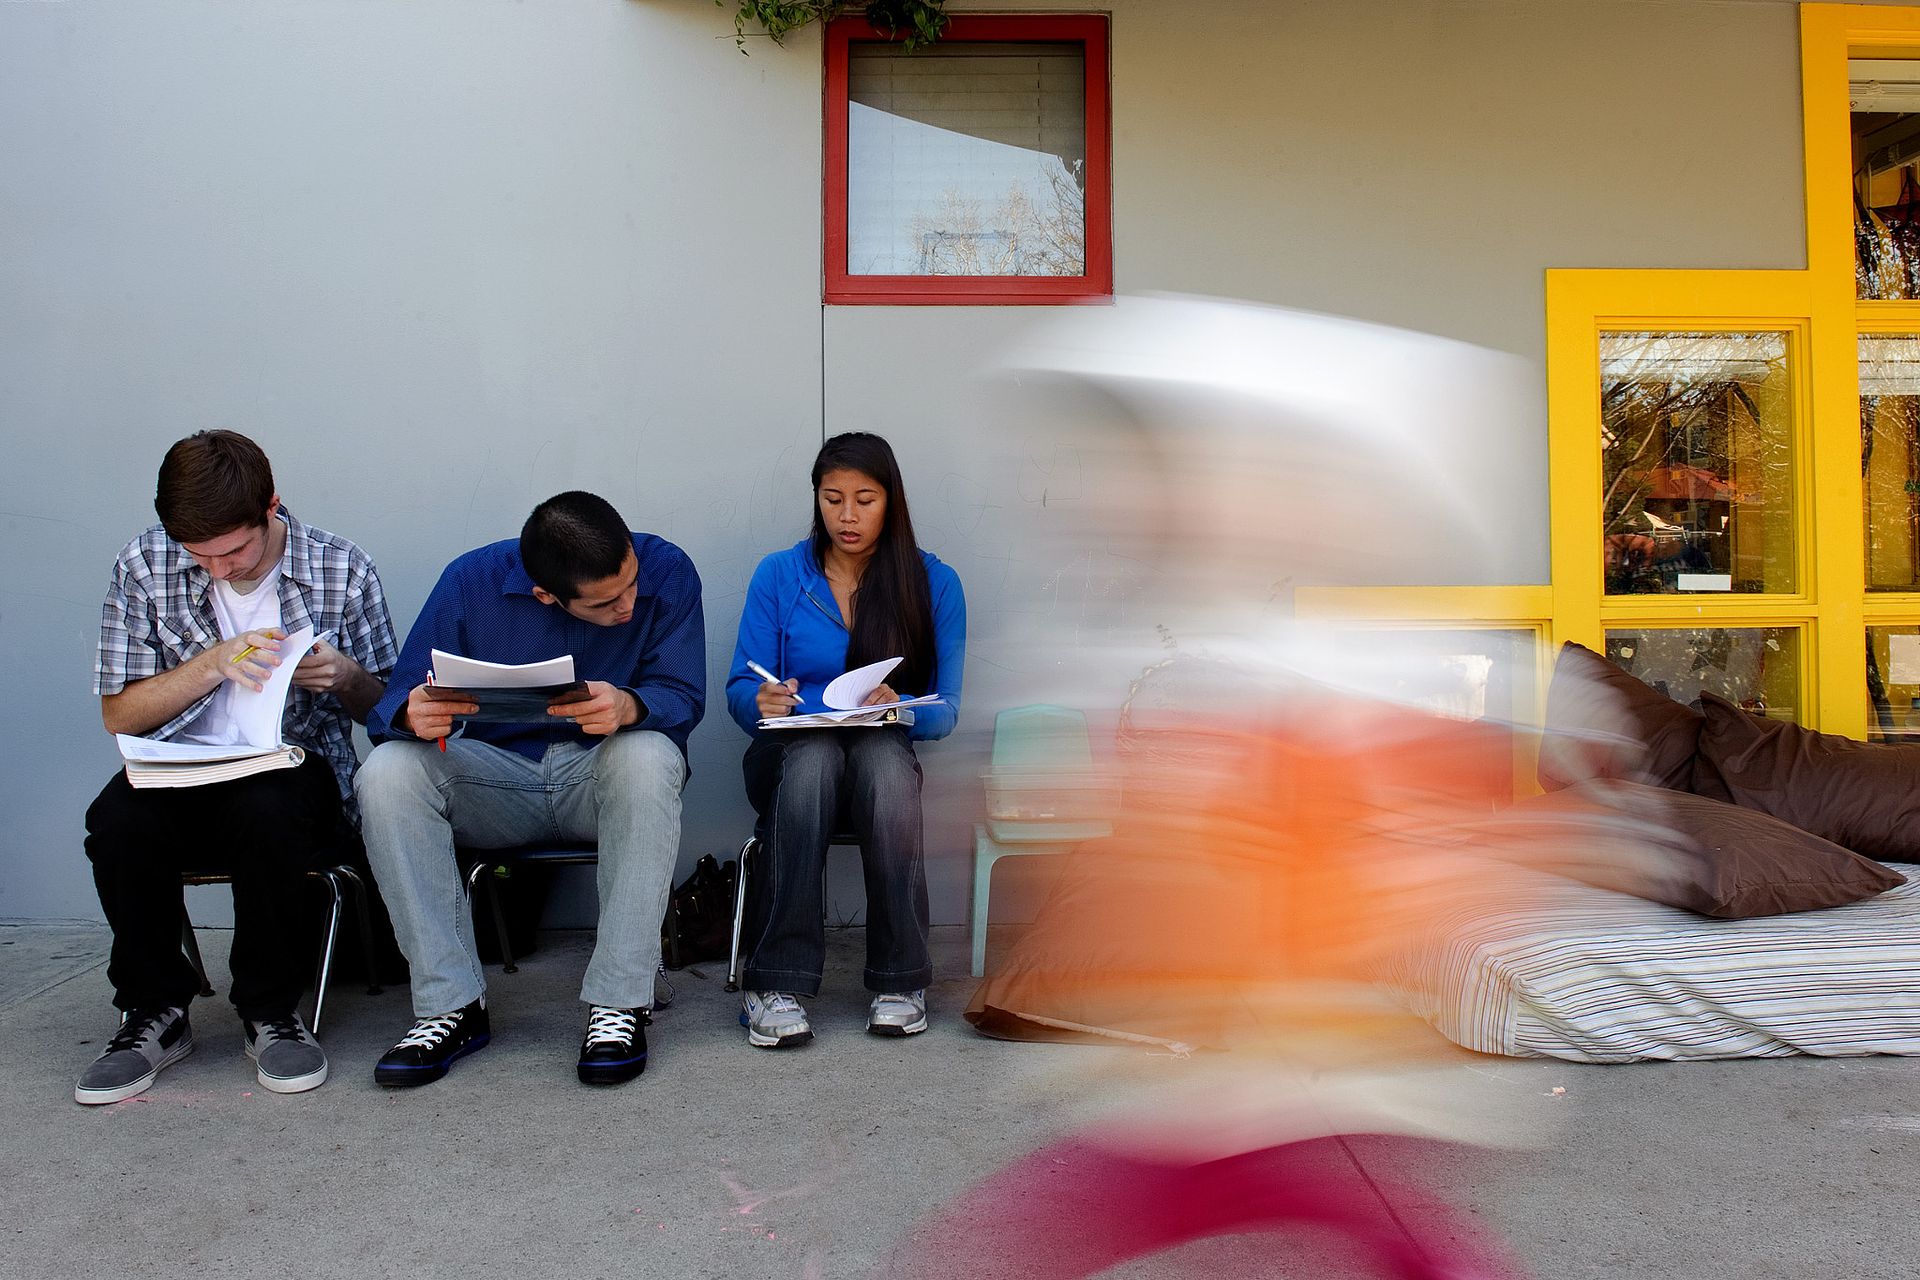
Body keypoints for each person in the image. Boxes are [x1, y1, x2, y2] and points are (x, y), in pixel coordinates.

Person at [78, 430, 398, 1104]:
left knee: (270, 808)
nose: (219, 570)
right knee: (116, 820)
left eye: (234, 551)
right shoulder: (144, 564)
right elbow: (120, 714)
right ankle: (152, 1012)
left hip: (291, 768)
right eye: (202, 556)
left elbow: (390, 714)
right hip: (179, 768)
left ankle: (270, 1011)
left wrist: (345, 677)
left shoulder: (342, 567)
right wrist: (211, 665)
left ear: (272, 507)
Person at [357, 491, 704, 1088]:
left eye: (629, 585)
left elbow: (683, 695)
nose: (628, 605)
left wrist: (630, 703)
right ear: (547, 595)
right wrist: (412, 715)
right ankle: (451, 1008)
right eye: (606, 602)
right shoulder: (471, 582)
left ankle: (620, 1003)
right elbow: (396, 700)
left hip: (600, 776)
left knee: (650, 752)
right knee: (387, 771)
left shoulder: (667, 568)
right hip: (495, 778)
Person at [727, 432, 965, 1048]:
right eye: (833, 500)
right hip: (788, 757)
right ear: (816, 501)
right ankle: (774, 981)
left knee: (886, 764)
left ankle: (899, 980)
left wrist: (903, 706)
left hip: (879, 756)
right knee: (811, 760)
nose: (848, 516)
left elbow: (946, 711)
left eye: (865, 499)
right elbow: (737, 690)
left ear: (892, 502)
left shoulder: (932, 582)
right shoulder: (780, 575)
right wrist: (760, 700)